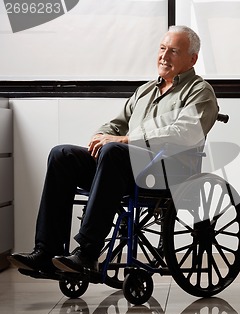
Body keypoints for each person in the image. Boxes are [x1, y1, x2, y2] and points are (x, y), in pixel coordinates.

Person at [8, 25, 219, 274]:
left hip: (167, 173)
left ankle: (87, 252)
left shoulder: (200, 92)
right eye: (162, 49)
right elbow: (117, 124)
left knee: (113, 152)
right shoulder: (146, 91)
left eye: (173, 51)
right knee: (61, 155)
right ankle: (46, 251)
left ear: (192, 58)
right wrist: (101, 135)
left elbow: (184, 133)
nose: (164, 56)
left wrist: (125, 141)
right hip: (124, 168)